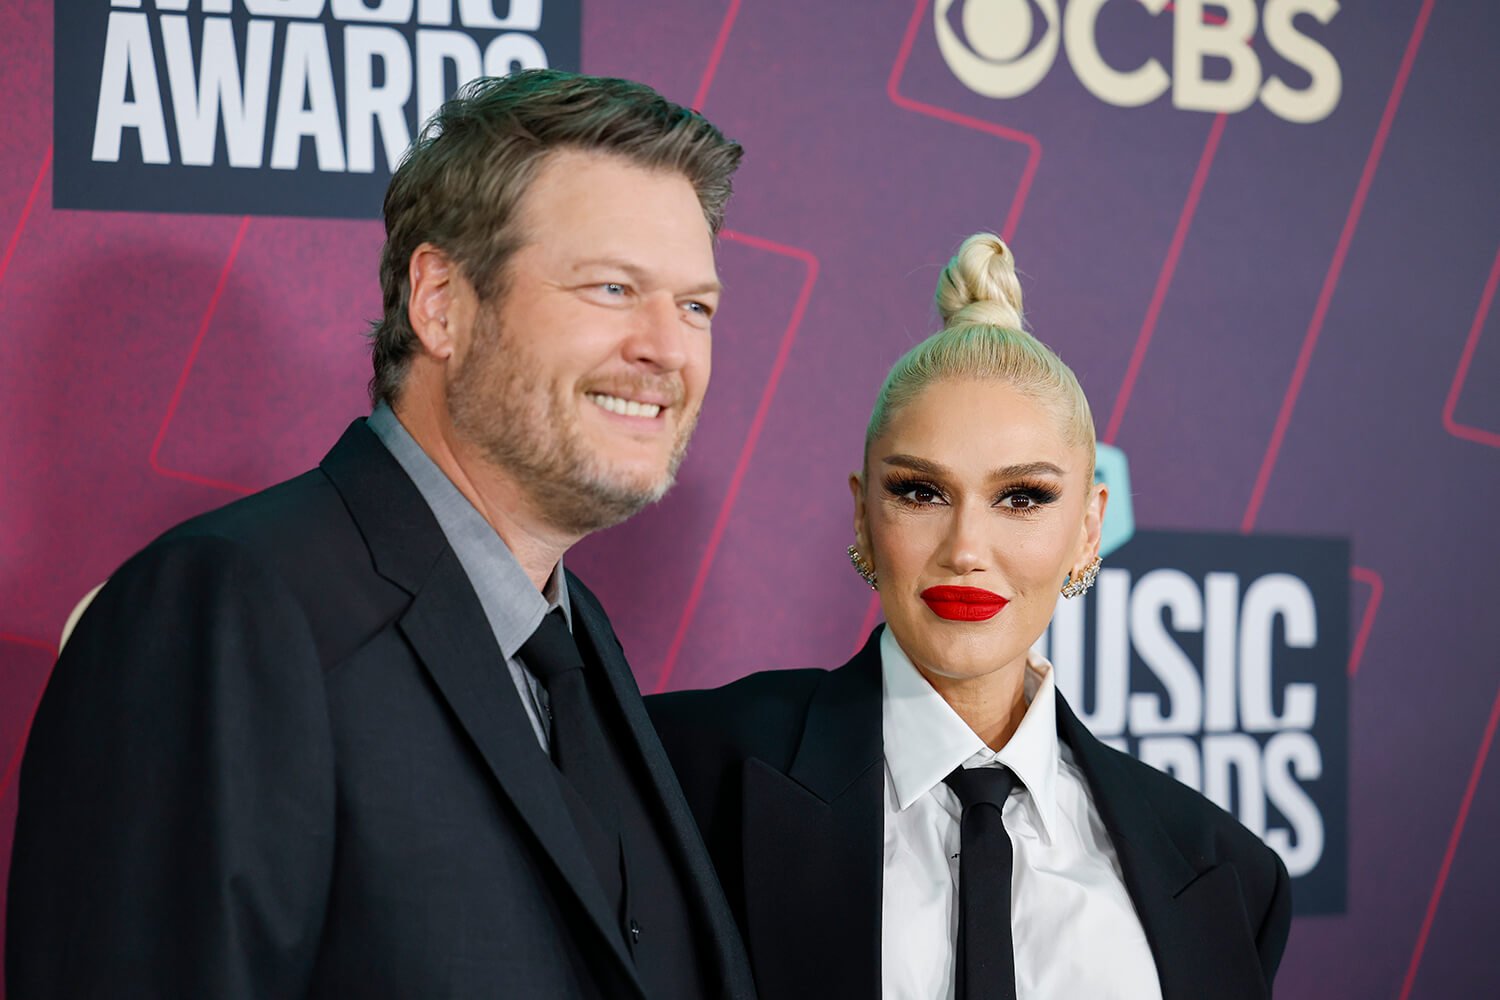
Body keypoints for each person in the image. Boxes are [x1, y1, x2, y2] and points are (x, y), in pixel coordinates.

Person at [8, 70, 755, 999]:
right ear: (440, 301)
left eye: (696, 307)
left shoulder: (574, 643)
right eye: (612, 288)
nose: (669, 350)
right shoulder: (228, 609)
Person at [648, 234, 1291, 1000]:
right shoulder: (683, 774)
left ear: (1089, 528)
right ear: (862, 516)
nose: (966, 549)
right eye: (921, 492)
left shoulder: (1223, 871)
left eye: (1022, 498)